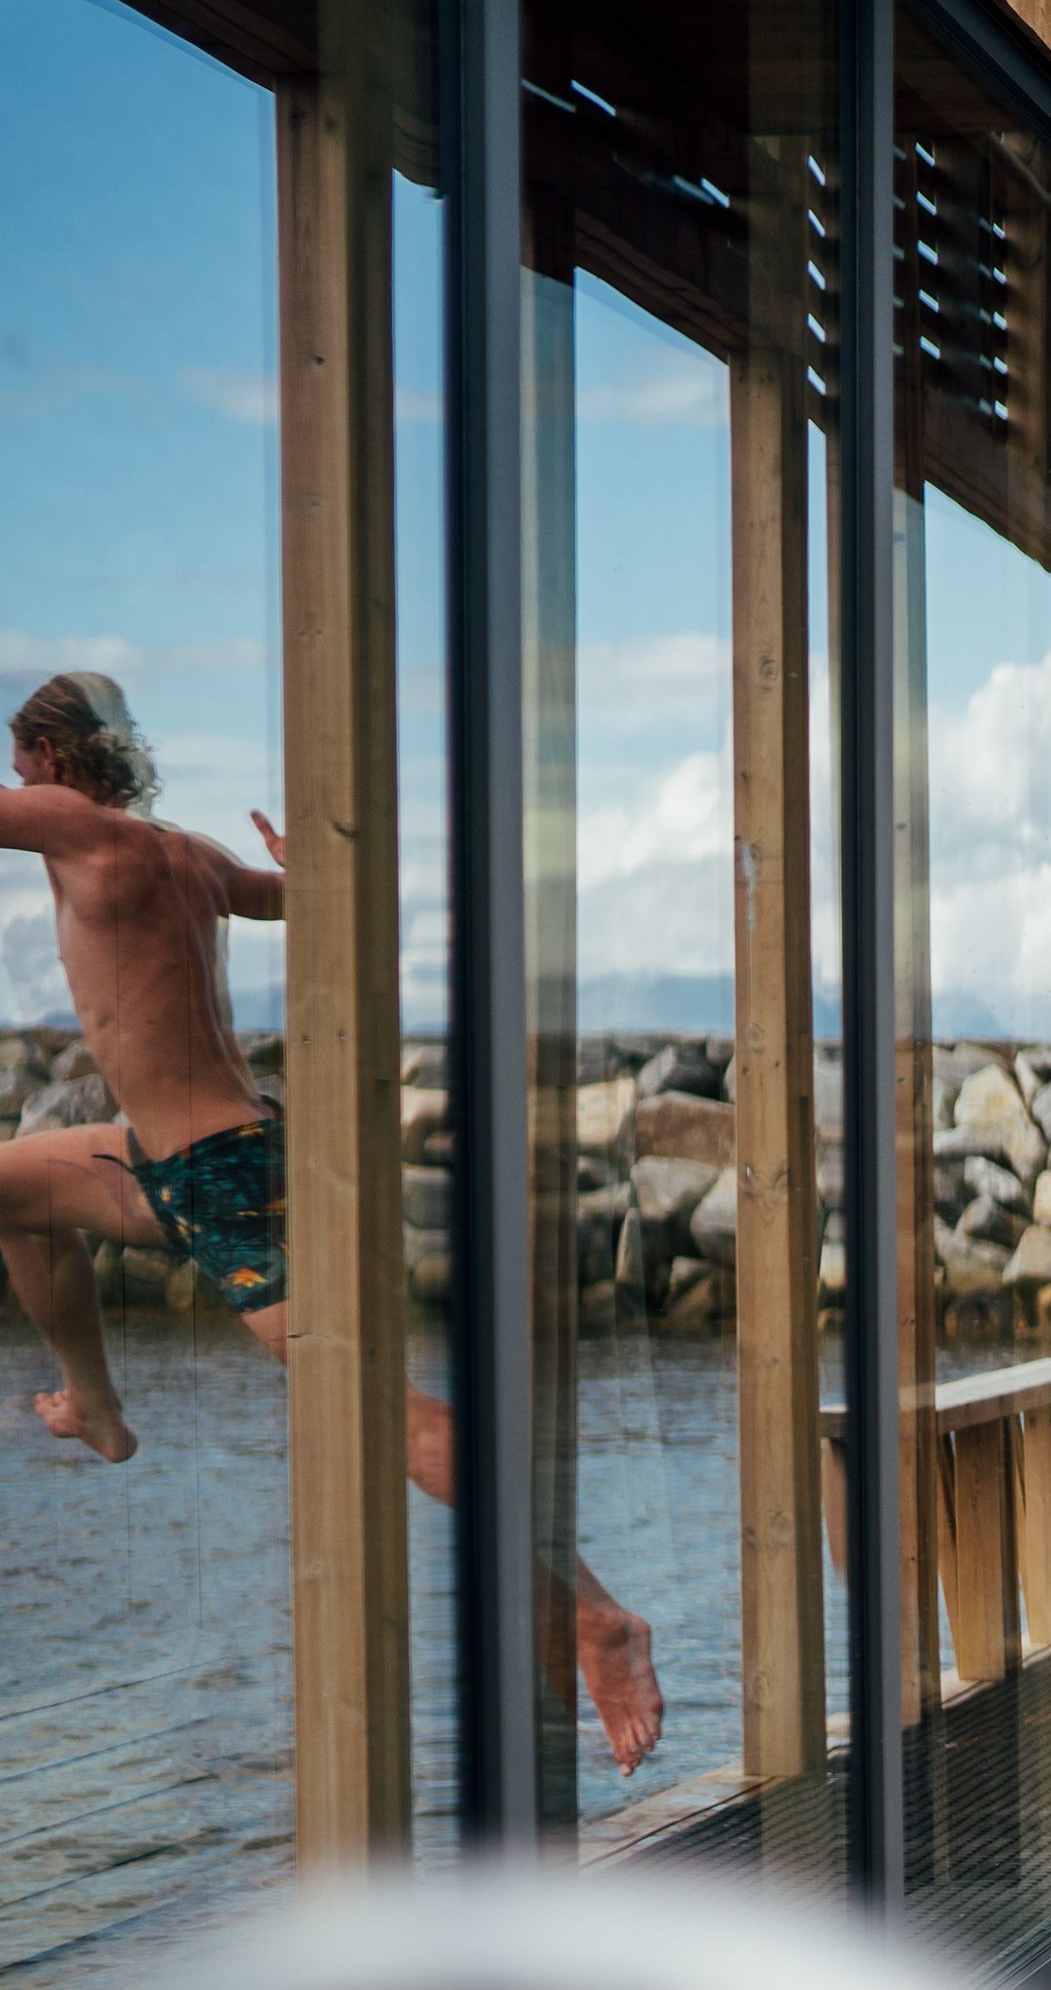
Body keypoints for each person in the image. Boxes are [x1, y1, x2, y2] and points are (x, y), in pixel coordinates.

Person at [0, 672, 664, 1770]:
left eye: (20, 759)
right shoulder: (189, 854)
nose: (18, 781)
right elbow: (304, 903)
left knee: (383, 1416)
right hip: (197, 1156)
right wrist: (314, 873)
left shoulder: (78, 829)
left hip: (220, 1177)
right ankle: (97, 1403)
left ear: (55, 760)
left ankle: (594, 1613)